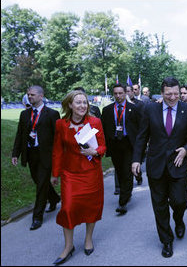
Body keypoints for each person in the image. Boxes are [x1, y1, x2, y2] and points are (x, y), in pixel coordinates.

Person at [132, 77, 187, 258]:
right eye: (168, 94)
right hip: (156, 165)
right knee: (159, 206)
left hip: (178, 163)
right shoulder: (150, 109)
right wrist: (136, 159)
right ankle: (167, 241)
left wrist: (186, 149)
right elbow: (141, 136)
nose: (173, 97)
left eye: (176, 93)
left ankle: (179, 219)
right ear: (162, 93)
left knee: (179, 201)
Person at [50, 90, 106, 265]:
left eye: (85, 102)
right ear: (70, 105)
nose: (83, 106)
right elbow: (58, 150)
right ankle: (68, 246)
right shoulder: (61, 124)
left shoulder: (95, 121)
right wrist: (55, 173)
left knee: (91, 207)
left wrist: (94, 151)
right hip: (70, 174)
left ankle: (88, 239)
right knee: (67, 208)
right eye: (78, 102)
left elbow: (103, 146)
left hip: (91, 173)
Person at [12, 85, 61, 231]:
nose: (29, 97)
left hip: (46, 155)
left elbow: (57, 138)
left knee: (41, 185)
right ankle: (54, 198)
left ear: (41, 96)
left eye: (32, 94)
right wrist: (16, 153)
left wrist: (57, 157)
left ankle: (37, 217)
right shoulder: (24, 114)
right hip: (30, 154)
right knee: (39, 181)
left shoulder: (52, 114)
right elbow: (20, 135)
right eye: (28, 94)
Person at [101, 84, 141, 215]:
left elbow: (139, 127)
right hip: (115, 145)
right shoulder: (107, 110)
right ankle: (126, 193)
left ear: (125, 93)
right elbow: (103, 128)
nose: (118, 96)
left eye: (120, 93)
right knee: (119, 171)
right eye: (116, 93)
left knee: (127, 172)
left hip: (128, 144)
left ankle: (122, 202)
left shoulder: (133, 109)